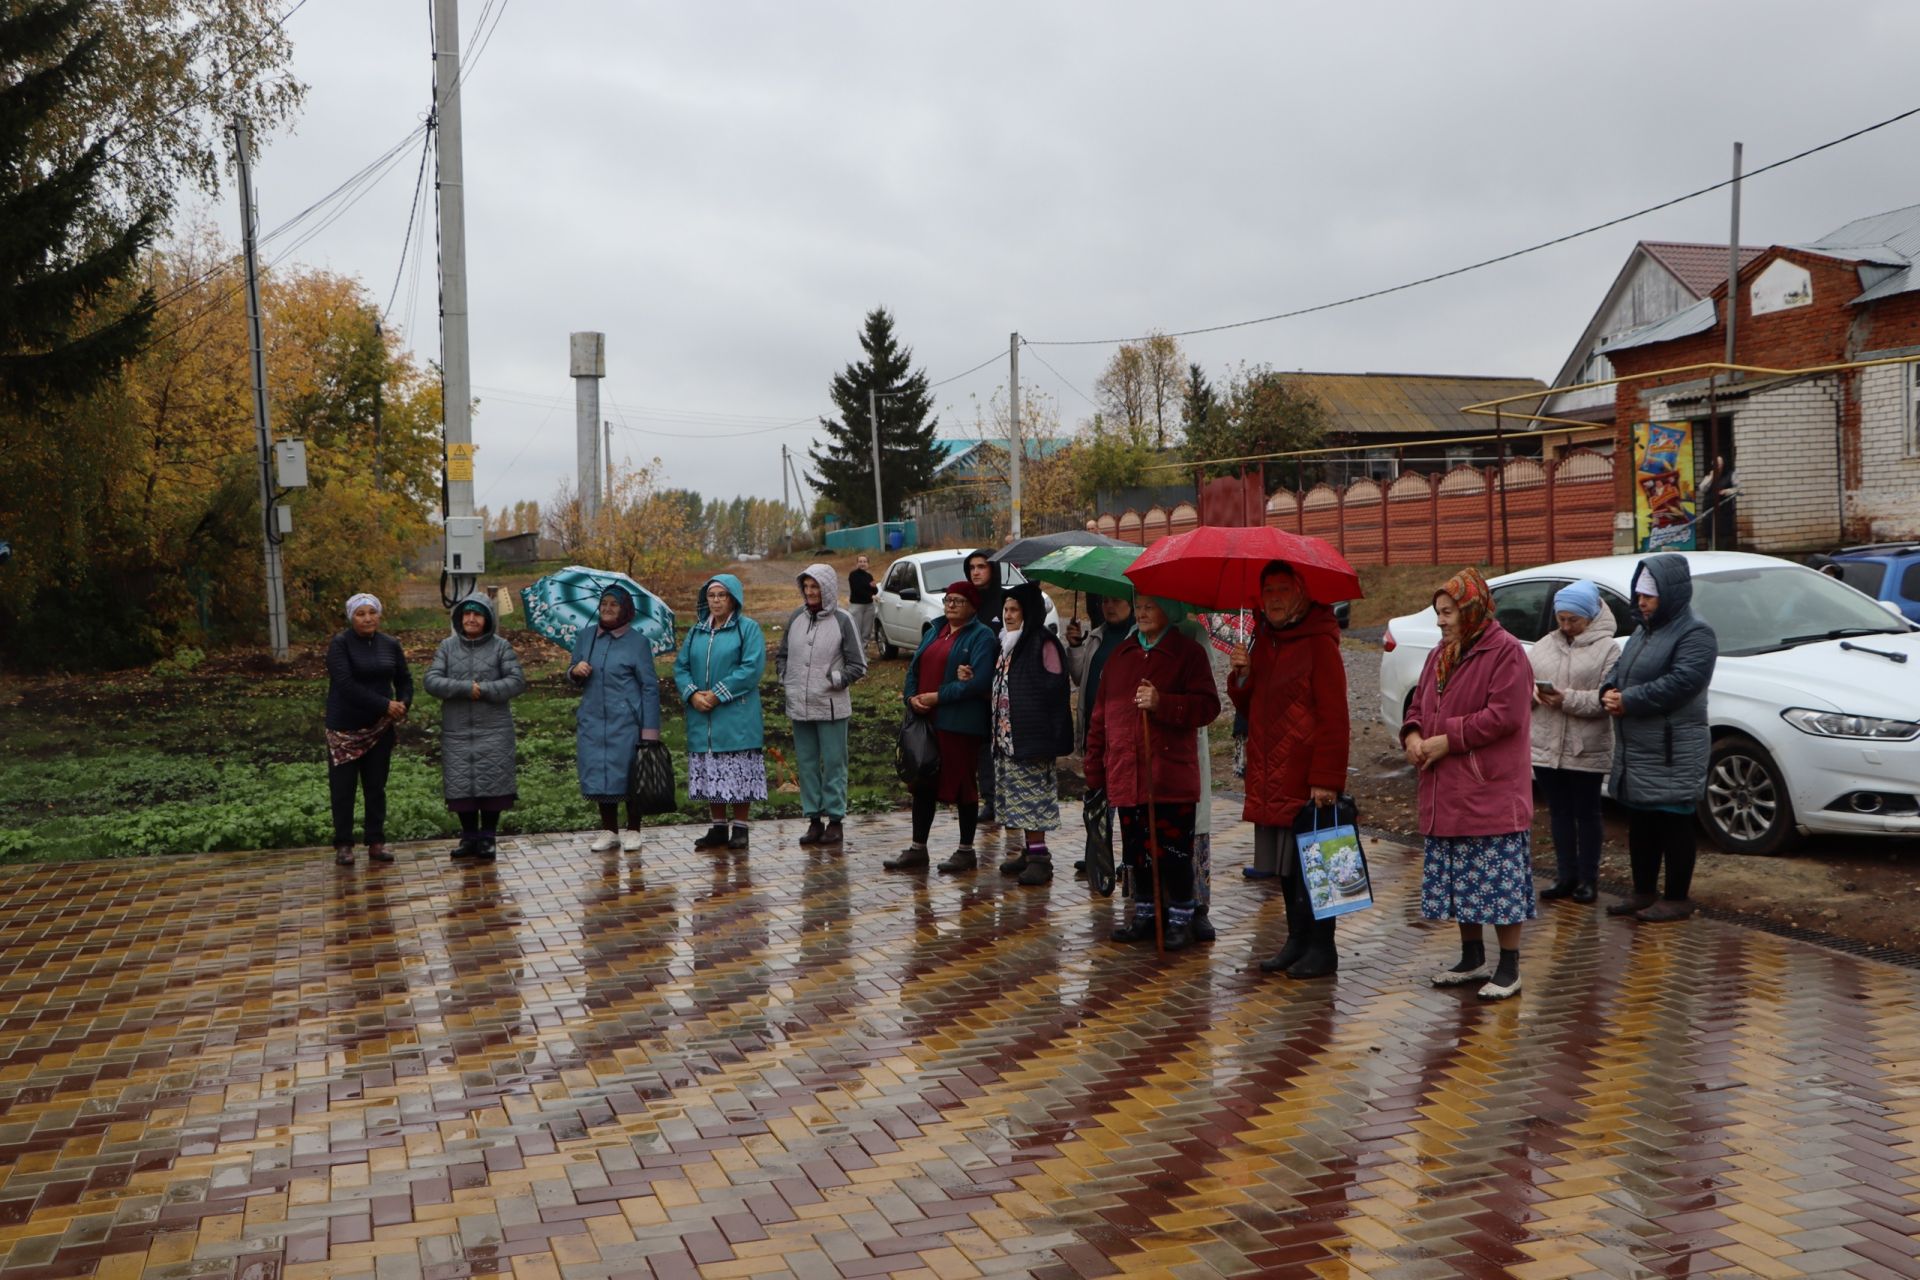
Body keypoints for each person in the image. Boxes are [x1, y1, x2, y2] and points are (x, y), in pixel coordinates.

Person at [1400, 567, 1534, 1000]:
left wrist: (1447, 739)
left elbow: (1505, 716)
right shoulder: (1440, 654)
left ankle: (1509, 967)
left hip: (1488, 789)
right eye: (1438, 612)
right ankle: (1472, 957)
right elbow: (1417, 703)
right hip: (1446, 787)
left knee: (1497, 884)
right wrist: (1414, 735)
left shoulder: (1505, 653)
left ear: (1472, 609)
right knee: (1461, 878)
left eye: (1448, 612)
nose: (1440, 620)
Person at [1230, 561, 1350, 980]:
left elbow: (1335, 717)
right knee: (1284, 864)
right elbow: (1250, 706)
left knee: (1316, 863)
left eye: (1283, 589)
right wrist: (1240, 676)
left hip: (1305, 774)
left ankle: (1323, 947)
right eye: (1268, 591)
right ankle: (1297, 940)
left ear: (1301, 594)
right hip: (1270, 769)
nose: (1274, 598)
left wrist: (1327, 778)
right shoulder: (1264, 638)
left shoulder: (1319, 642)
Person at [1084, 596, 1222, 951]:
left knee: (1174, 855)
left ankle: (1180, 920)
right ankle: (1144, 915)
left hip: (1169, 777)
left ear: (1170, 611)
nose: (1142, 612)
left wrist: (1164, 704)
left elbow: (1208, 707)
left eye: (1151, 606)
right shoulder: (1121, 656)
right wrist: (1094, 767)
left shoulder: (1186, 654)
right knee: (1137, 853)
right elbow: (1101, 716)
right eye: (1139, 605)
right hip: (1127, 774)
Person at [1600, 554, 1717, 922]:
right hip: (1640, 745)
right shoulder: (1644, 629)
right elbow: (1622, 667)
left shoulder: (1695, 632)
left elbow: (1684, 682)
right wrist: (1609, 689)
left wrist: (1629, 701)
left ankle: (1677, 897)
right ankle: (1643, 892)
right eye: (1639, 595)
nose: (1641, 602)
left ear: (1670, 593)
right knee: (1643, 821)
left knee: (1674, 820)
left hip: (1672, 746)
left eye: (1649, 595)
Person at [887, 580, 996, 872]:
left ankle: (966, 851)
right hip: (926, 720)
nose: (950, 604)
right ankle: (917, 849)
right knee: (922, 781)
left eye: (958, 600)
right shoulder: (935, 629)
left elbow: (980, 682)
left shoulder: (982, 637)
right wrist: (911, 698)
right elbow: (914, 668)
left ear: (973, 607)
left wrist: (938, 696)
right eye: (948, 599)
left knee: (962, 784)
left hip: (960, 723)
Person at [1529, 580, 1618, 904]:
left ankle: (1588, 879)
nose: (1566, 626)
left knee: (1587, 813)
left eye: (1574, 620)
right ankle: (1565, 876)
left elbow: (1605, 701)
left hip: (1586, 746)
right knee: (1559, 813)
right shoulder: (1543, 645)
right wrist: (1533, 694)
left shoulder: (1609, 649)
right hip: (1545, 744)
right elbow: (1522, 686)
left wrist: (1565, 699)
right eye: (1561, 619)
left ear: (1590, 617)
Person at [425, 593, 529, 861]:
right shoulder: (447, 647)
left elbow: (516, 681)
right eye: (467, 614)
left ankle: (488, 838)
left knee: (492, 783)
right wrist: (463, 688)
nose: (471, 619)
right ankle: (469, 837)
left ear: (488, 619)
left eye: (477, 614)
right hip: (457, 730)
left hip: (494, 729)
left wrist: (482, 690)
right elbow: (432, 681)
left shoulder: (501, 647)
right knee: (462, 784)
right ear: (460, 618)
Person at [774, 563, 867, 847]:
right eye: (807, 587)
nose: (810, 592)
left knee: (834, 764)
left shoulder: (843, 619)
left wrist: (835, 679)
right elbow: (782, 655)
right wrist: (785, 677)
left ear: (826, 588)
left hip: (831, 706)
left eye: (815, 587)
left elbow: (858, 664)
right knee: (807, 765)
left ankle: (835, 821)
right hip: (800, 707)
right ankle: (814, 820)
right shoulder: (796, 618)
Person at [987, 582, 1074, 883]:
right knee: (1018, 798)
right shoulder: (1010, 642)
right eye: (1006, 609)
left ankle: (1040, 858)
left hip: (1032, 739)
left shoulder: (1043, 642)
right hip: (1009, 739)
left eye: (1015, 610)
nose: (1008, 615)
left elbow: (1054, 687)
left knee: (1034, 798)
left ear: (1029, 612)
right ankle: (1029, 849)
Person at [674, 574, 768, 852]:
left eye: (721, 596)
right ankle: (718, 827)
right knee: (711, 768)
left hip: (736, 714)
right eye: (712, 596)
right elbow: (681, 667)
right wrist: (692, 694)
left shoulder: (747, 629)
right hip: (702, 716)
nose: (716, 601)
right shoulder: (697, 632)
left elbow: (751, 668)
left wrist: (717, 694)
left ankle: (739, 829)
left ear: (733, 599)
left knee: (737, 769)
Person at [570, 585, 662, 853]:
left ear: (625, 609)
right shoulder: (587, 637)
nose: (607, 608)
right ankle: (609, 829)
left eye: (614, 604)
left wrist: (650, 732)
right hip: (593, 719)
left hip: (627, 721)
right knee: (599, 773)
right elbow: (573, 674)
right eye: (604, 603)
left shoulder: (638, 642)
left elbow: (649, 687)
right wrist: (575, 671)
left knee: (631, 775)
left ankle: (634, 829)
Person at [326, 593, 413, 867]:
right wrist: (385, 704)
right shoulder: (340, 645)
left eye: (371, 612)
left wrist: (402, 704)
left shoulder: (390, 644)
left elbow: (404, 679)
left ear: (379, 614)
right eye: (360, 614)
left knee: (376, 787)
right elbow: (345, 684)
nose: (367, 618)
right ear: (351, 617)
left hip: (380, 729)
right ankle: (343, 844)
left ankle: (376, 841)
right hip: (345, 730)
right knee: (343, 789)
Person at [1062, 594, 1134, 880]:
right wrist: (1076, 646)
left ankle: (1130, 859)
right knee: (1096, 796)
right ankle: (1096, 855)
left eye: (1116, 601)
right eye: (1105, 602)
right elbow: (1079, 677)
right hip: (1096, 731)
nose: (1110, 606)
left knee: (1125, 798)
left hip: (1123, 733)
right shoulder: (1097, 636)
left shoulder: (1135, 637)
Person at [964, 549, 1006, 824]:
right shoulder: (969, 603)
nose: (976, 572)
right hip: (975, 687)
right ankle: (989, 799)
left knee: (1003, 745)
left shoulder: (1004, 602)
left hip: (1002, 687)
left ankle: (1007, 798)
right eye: (971, 568)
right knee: (982, 747)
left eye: (982, 566)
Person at [846, 553, 878, 654]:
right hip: (857, 606)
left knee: (866, 632)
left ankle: (863, 653)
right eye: (860, 562)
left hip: (869, 607)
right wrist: (870, 595)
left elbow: (875, 591)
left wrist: (873, 587)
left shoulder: (869, 576)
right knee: (856, 631)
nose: (862, 564)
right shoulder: (853, 575)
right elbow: (857, 590)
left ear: (868, 564)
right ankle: (855, 654)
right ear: (857, 563)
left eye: (864, 562)